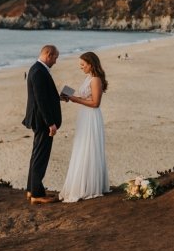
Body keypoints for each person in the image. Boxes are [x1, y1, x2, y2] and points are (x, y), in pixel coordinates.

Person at [60, 51, 110, 203]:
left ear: (91, 64)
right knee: (82, 147)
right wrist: (69, 97)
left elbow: (95, 103)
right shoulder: (88, 78)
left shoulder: (95, 80)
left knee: (89, 147)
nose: (80, 67)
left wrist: (75, 99)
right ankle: (85, 183)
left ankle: (88, 186)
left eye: (83, 64)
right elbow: (87, 98)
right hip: (84, 116)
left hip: (91, 116)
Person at [23, 45, 62, 204]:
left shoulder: (36, 68)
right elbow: (40, 100)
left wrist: (58, 97)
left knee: (36, 155)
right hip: (42, 121)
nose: (55, 61)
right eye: (55, 58)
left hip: (39, 119)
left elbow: (44, 95)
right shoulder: (39, 71)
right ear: (48, 54)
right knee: (40, 157)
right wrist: (51, 123)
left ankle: (31, 189)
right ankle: (37, 195)